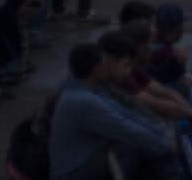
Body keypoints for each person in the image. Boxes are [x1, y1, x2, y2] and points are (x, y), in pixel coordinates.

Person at [49, 38, 178, 180]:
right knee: (132, 145)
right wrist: (164, 145)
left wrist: (159, 133)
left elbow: (126, 114)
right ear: (95, 68)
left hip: (89, 156)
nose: (107, 65)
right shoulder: (83, 100)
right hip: (73, 172)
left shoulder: (91, 85)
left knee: (146, 143)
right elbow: (124, 127)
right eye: (104, 62)